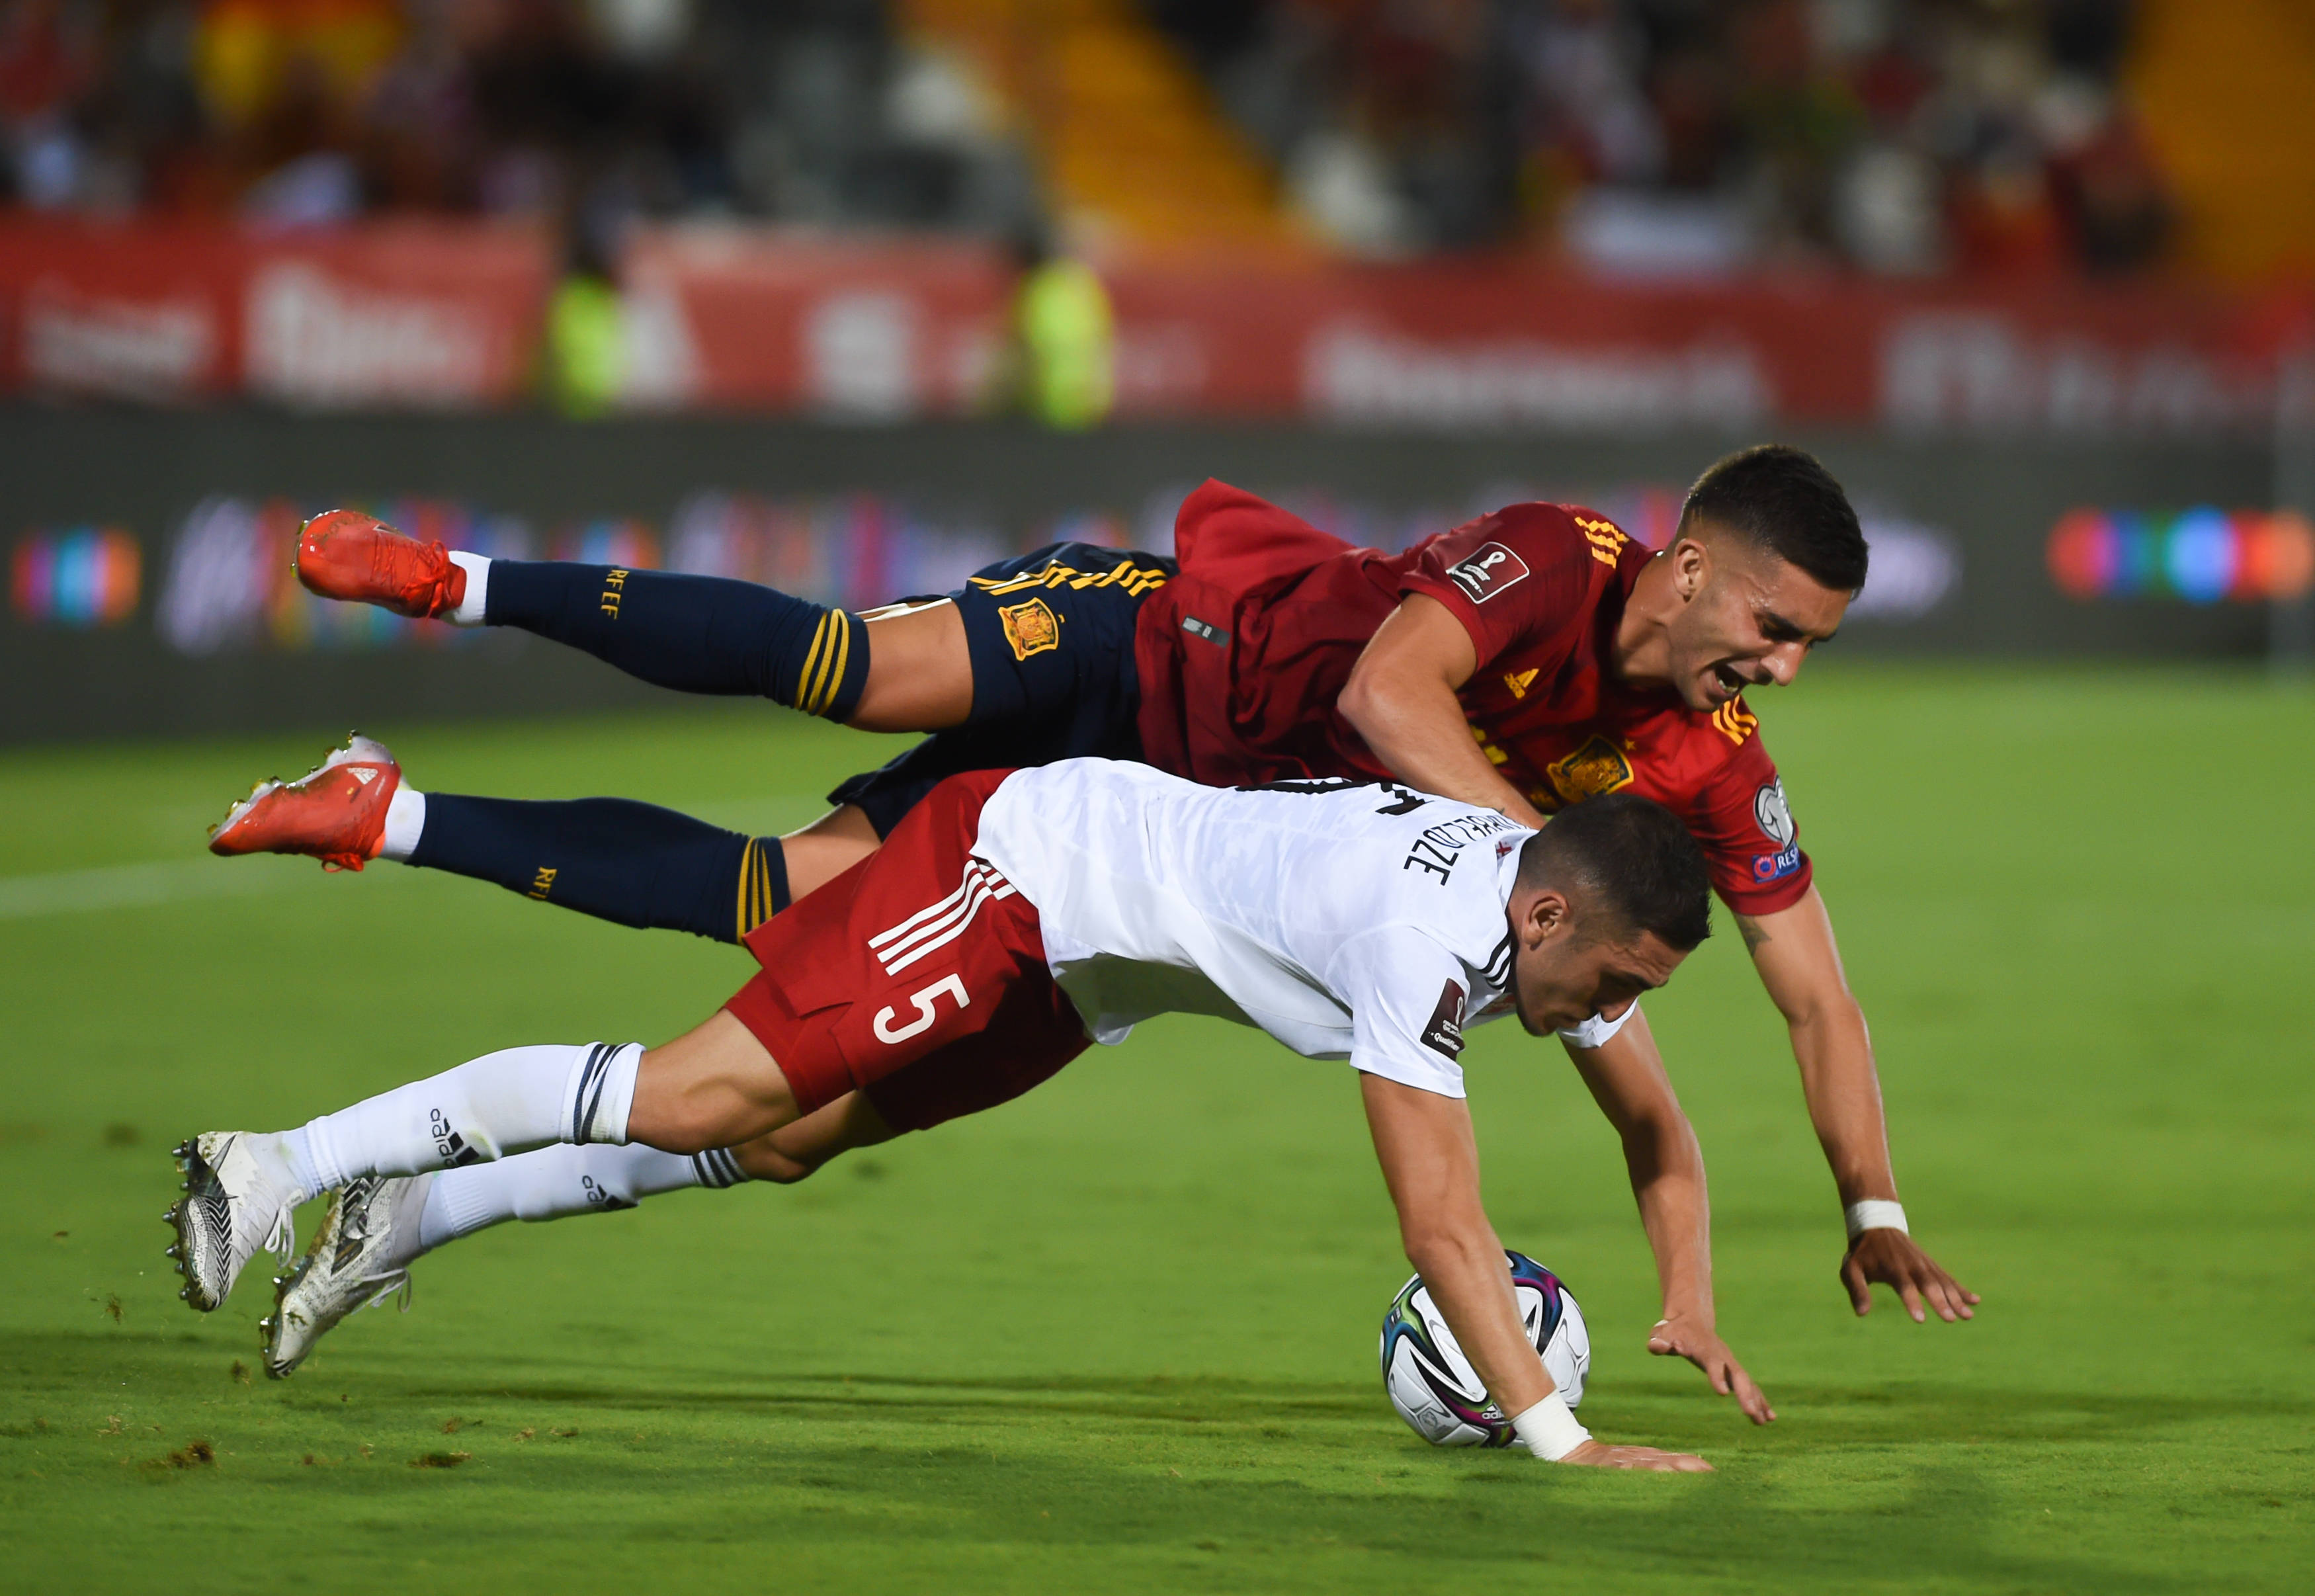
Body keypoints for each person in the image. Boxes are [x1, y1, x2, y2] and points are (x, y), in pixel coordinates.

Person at [216, 444, 1976, 1327]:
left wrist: (1871, 1200)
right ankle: (449, 582)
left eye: (1806, 646)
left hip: (1138, 800)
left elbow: (1810, 988)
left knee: (780, 903)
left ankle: (392, 810)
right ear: (1685, 570)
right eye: (1774, 629)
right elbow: (1383, 691)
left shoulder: (1701, 763)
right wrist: (1540, 853)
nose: (1783, 670)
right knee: (846, 658)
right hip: (1146, 634)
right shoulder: (1547, 562)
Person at [175, 766, 1760, 1469]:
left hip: (1090, 977)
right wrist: (1562, 1437)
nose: (1613, 1012)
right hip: (1020, 871)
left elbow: (1658, 1135)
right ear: (1549, 917)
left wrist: (1684, 1295)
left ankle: (413, 1216)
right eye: (1614, 977)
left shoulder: (1550, 918)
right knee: (695, 1091)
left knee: (781, 1143)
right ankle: (280, 1160)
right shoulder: (1431, 943)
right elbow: (1440, 1223)